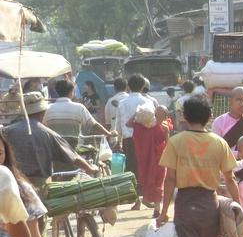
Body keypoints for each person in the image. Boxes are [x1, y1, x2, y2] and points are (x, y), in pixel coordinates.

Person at [157, 97, 240, 237]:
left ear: (184, 117)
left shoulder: (176, 142)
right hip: (209, 204)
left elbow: (170, 179)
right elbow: (230, 179)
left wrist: (163, 211)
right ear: (209, 117)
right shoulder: (218, 142)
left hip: (185, 204)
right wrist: (238, 204)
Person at [0, 92, 97, 188]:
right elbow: (73, 157)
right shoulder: (48, 133)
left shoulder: (6, 131)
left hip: (11, 182)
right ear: (42, 112)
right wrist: (90, 168)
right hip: (39, 185)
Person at [117, 73, 158, 203]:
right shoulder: (148, 101)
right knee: (145, 165)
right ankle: (145, 194)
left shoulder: (122, 102)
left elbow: (119, 123)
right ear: (143, 87)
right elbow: (153, 122)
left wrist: (118, 140)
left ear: (128, 86)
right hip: (145, 139)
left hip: (128, 138)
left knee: (131, 166)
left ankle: (135, 198)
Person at [132, 105, 174, 212]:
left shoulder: (164, 127)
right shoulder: (147, 125)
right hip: (148, 158)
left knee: (158, 181)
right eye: (157, 113)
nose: (158, 116)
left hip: (158, 158)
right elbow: (129, 123)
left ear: (165, 116)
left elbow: (168, 143)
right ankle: (147, 200)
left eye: (161, 114)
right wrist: (138, 113)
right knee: (148, 179)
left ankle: (157, 207)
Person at [43, 78, 112, 142]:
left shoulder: (48, 108)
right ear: (71, 92)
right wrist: (109, 133)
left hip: (54, 147)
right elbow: (94, 125)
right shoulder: (79, 108)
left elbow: (43, 126)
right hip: (74, 148)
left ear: (57, 91)